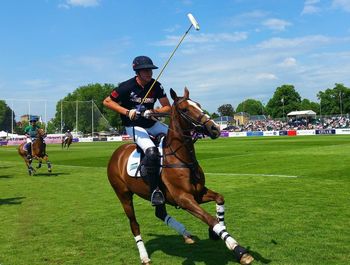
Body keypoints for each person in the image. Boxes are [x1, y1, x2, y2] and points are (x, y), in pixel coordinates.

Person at [103, 55, 171, 206]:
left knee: (176, 138)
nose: (149, 73)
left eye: (150, 70)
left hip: (152, 123)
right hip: (134, 126)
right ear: (137, 72)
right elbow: (107, 101)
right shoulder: (126, 87)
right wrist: (127, 112)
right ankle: (155, 191)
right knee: (152, 151)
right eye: (145, 70)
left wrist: (154, 112)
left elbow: (168, 107)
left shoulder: (156, 86)